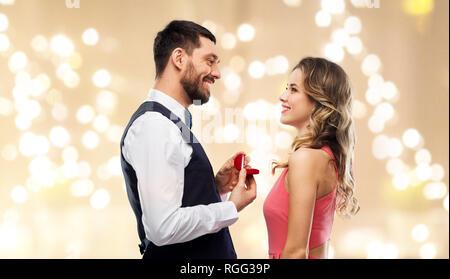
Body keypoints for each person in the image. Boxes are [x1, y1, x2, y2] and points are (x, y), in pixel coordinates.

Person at [120, 20, 257, 259]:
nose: (217, 73)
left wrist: (214, 188)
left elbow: (178, 197)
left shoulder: (174, 121)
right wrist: (230, 208)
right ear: (179, 59)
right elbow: (162, 227)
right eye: (209, 61)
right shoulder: (155, 126)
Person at [263, 57, 360, 259]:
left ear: (319, 100)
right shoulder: (323, 157)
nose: (283, 96)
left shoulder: (306, 159)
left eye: (293, 90)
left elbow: (297, 252)